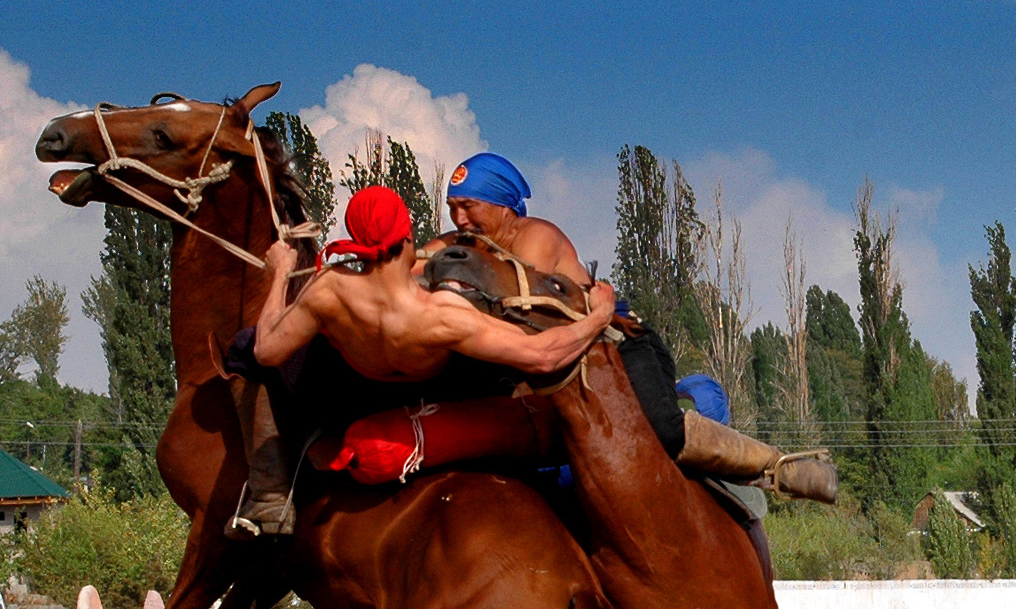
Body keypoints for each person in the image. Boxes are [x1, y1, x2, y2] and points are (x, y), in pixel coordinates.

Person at [423, 152, 837, 504]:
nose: (459, 218)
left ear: (502, 205)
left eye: (469, 206)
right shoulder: (461, 246)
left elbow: (520, 316)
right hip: (551, 362)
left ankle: (779, 468)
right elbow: (416, 262)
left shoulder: (535, 238)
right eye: (452, 206)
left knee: (663, 431)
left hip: (619, 341)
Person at [225, 184, 615, 539]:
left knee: (245, 346)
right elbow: (544, 355)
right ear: (408, 236)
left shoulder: (328, 289)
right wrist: (599, 315)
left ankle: (269, 495)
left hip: (352, 391)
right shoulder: (440, 312)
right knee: (501, 362)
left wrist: (279, 274)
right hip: (429, 388)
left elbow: (265, 351)